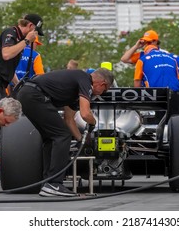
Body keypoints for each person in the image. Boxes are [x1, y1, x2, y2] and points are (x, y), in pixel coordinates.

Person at [17, 68, 114, 197]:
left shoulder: (71, 86)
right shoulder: (85, 80)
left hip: (27, 94)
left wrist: (81, 140)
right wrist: (93, 123)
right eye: (104, 91)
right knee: (61, 135)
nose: (101, 94)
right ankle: (54, 183)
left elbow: (69, 120)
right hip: (36, 95)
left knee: (51, 138)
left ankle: (47, 183)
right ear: (102, 84)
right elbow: (85, 114)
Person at [120, 30, 179, 114]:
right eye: (145, 42)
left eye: (148, 42)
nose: (146, 45)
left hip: (160, 93)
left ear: (155, 42)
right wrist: (136, 46)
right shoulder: (143, 55)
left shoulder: (164, 54)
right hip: (167, 93)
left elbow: (137, 84)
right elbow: (124, 59)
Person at [0, 14, 43, 97]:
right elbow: (6, 55)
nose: (36, 36)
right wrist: (27, 41)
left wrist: (18, 84)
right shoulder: (11, 32)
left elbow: (9, 66)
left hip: (1, 84)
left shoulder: (20, 39)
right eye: (36, 32)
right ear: (30, 26)